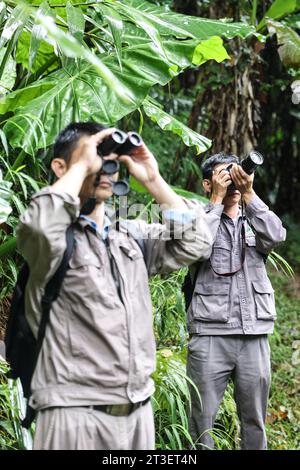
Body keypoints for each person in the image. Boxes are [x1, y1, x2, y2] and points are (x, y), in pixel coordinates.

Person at [17, 122, 212, 450]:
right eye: (95, 156)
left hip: (137, 414)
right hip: (74, 414)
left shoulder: (129, 236)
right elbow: (39, 222)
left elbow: (196, 243)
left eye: (110, 159)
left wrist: (153, 179)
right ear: (60, 168)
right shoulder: (50, 242)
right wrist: (81, 165)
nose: (105, 166)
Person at [186, 152, 286, 450]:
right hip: (210, 335)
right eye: (223, 176)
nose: (231, 181)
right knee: (201, 423)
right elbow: (196, 247)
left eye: (235, 175)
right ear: (207, 183)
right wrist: (216, 202)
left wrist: (251, 194)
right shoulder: (197, 218)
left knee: (254, 420)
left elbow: (276, 235)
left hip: (253, 334)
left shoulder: (253, 219)